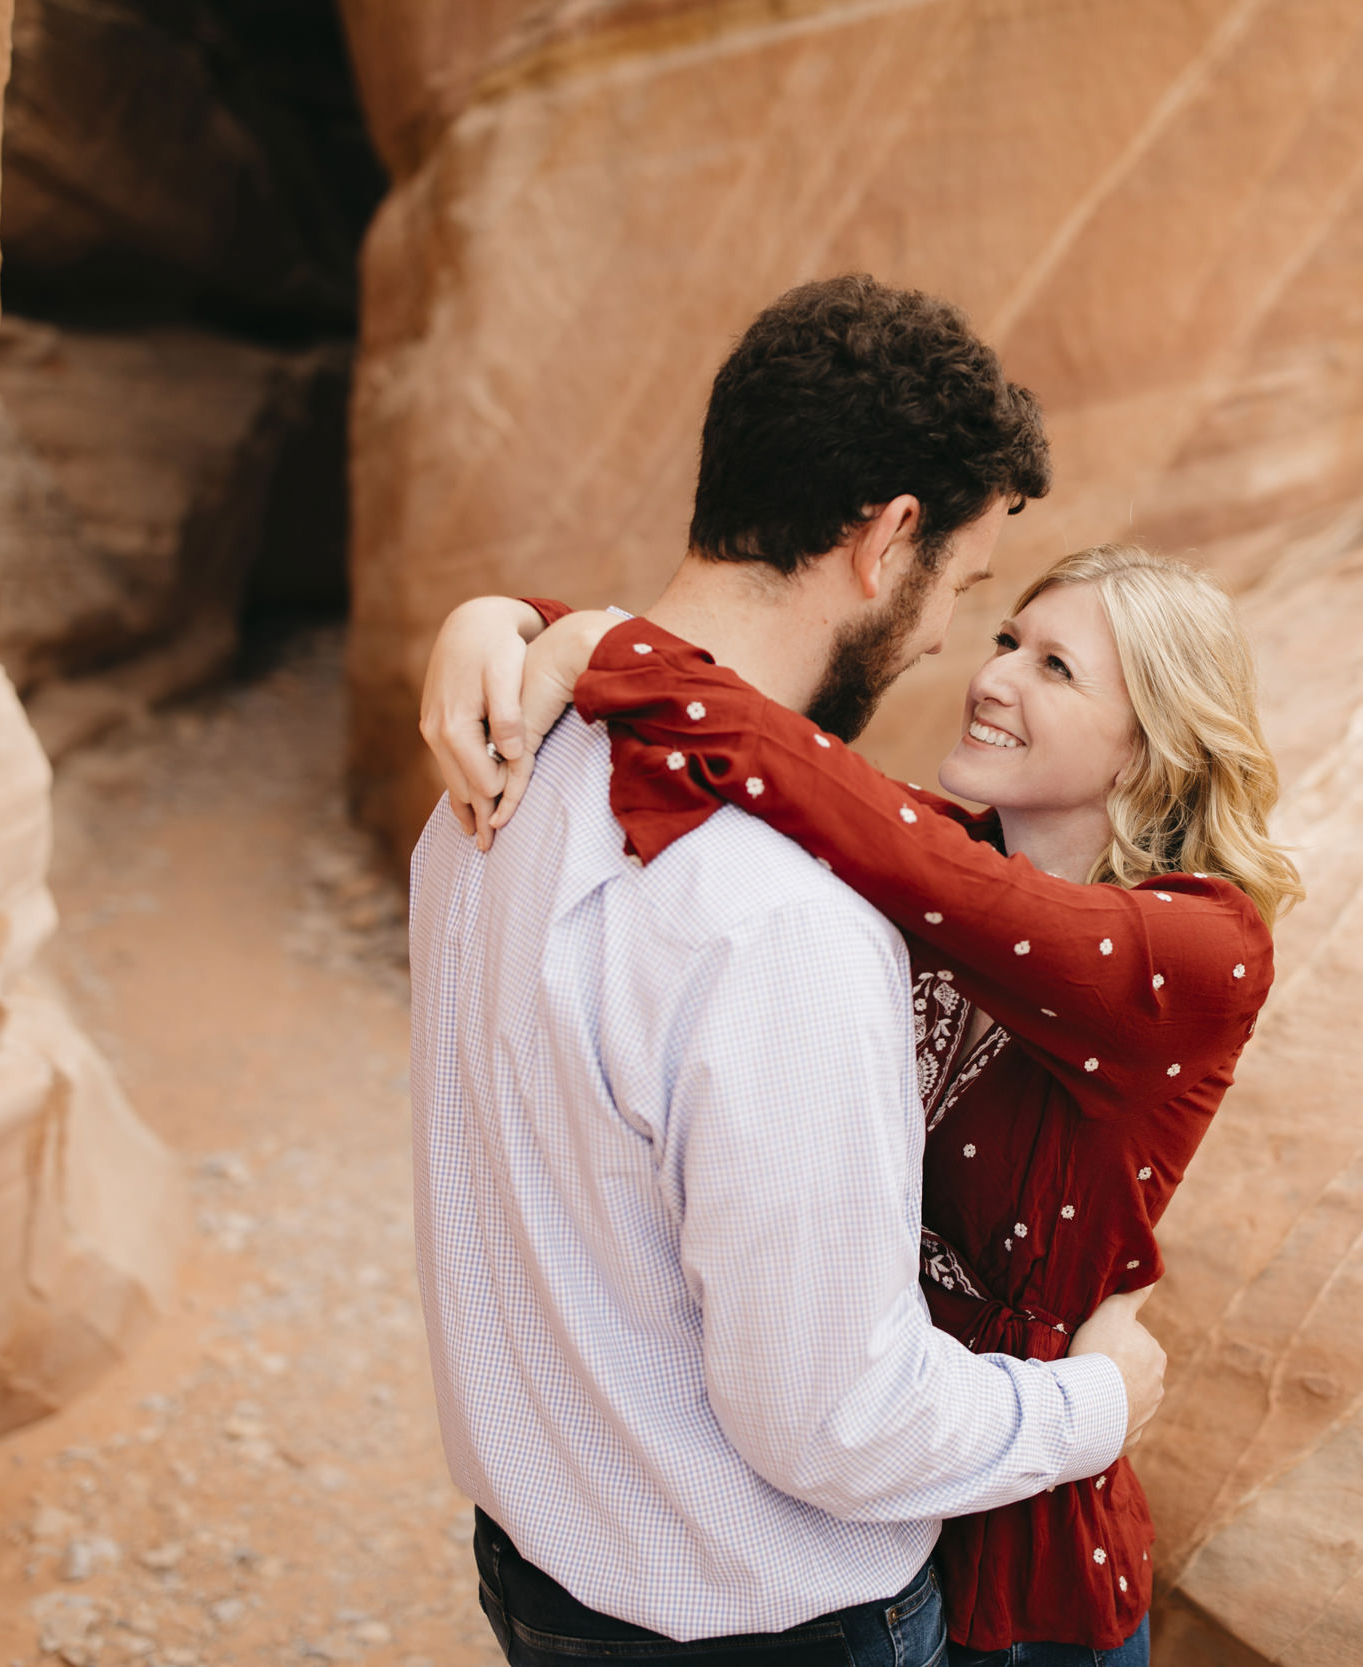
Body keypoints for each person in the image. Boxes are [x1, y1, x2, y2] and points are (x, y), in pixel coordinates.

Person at [407, 274, 1170, 1667]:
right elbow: (836, 1420)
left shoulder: (483, 781)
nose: (950, 636)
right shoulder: (787, 924)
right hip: (765, 1618)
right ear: (887, 542)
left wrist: (504, 616)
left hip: (533, 1576)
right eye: (969, 582)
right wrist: (1097, 1405)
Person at [428, 544, 1299, 1666]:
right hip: (865, 1489)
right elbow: (798, 773)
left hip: (1026, 1563)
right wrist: (499, 615)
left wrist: (606, 645)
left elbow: (879, 833)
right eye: (1003, 641)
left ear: (1157, 741)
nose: (993, 677)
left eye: (1056, 667)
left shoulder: (1199, 947)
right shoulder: (922, 848)